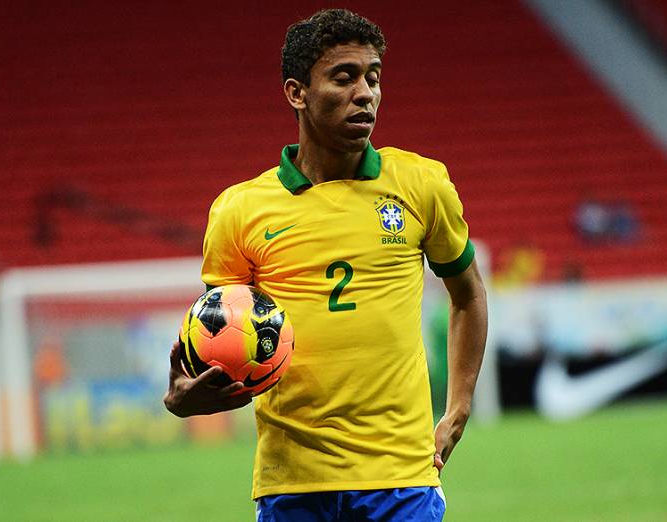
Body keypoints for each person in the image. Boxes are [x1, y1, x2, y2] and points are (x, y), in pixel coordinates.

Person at [163, 9, 488, 521]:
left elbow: (468, 294)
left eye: (373, 77)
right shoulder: (239, 210)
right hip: (291, 482)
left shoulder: (422, 184)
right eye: (345, 77)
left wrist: (459, 407)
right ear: (298, 93)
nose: (366, 93)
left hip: (402, 478)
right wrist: (185, 398)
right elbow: (221, 334)